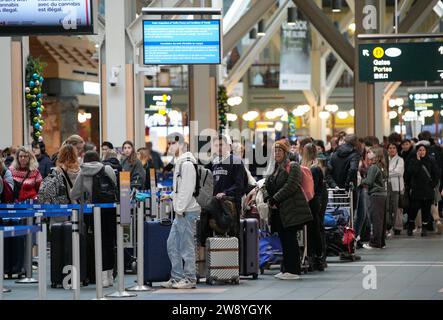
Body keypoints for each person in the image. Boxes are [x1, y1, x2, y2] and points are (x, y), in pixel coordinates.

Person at [264, 139, 312, 280]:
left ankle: (294, 270)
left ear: (286, 152)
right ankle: (286, 268)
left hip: (291, 209)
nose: (276, 153)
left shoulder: (293, 166)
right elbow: (267, 185)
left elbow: (292, 185)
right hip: (279, 211)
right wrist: (268, 197)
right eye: (275, 151)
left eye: (279, 151)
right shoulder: (274, 168)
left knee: (291, 240)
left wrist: (275, 199)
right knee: (284, 240)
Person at [70, 151, 117, 288]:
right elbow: (114, 186)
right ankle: (109, 276)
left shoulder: (83, 172)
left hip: (93, 212)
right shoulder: (107, 168)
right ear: (98, 159)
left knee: (98, 243)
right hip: (110, 210)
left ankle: (101, 277)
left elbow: (74, 193)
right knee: (109, 242)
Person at [161, 133, 201, 289]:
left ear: (181, 144)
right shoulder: (180, 162)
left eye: (172, 143)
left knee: (186, 246)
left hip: (186, 211)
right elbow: (180, 188)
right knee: (172, 244)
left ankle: (190, 278)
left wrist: (179, 208)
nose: (170, 146)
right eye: (169, 143)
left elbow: (187, 189)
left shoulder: (187, 163)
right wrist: (171, 195)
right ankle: (177, 277)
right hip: (181, 210)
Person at [207, 135, 246, 237]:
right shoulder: (214, 162)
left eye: (221, 145)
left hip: (231, 205)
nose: (219, 148)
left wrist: (225, 193)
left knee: (233, 237)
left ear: (228, 146)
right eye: (216, 145)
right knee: (217, 236)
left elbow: (239, 185)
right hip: (216, 204)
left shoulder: (236, 161)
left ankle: (238, 253)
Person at [404, 143, 440, 237]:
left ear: (426, 151)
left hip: (428, 190)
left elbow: (436, 174)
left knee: (426, 210)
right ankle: (410, 226)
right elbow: (412, 172)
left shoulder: (431, 160)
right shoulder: (412, 160)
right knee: (413, 210)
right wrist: (418, 161)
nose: (422, 152)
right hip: (416, 190)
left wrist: (433, 184)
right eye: (420, 150)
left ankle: (424, 229)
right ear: (417, 151)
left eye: (423, 150)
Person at [301, 143, 326, 271]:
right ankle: (317, 256)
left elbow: (313, 188)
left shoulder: (312, 168)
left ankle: (315, 255)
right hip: (314, 201)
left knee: (313, 229)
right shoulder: (315, 167)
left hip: (311, 201)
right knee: (314, 228)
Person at [361, 147, 388, 249]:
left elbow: (369, 181)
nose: (368, 154)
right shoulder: (382, 166)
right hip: (383, 195)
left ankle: (375, 243)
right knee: (381, 220)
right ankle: (381, 242)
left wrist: (361, 180)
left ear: (376, 155)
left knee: (376, 219)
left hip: (376, 195)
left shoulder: (373, 167)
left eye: (370, 152)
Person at [387, 143, 404, 236]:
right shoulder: (386, 159)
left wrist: (387, 173)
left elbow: (399, 172)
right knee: (388, 207)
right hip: (387, 186)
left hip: (397, 187)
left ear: (397, 150)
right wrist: (391, 171)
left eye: (394, 148)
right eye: (390, 148)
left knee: (397, 208)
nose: (392, 150)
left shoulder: (400, 160)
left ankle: (397, 227)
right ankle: (388, 227)